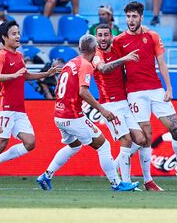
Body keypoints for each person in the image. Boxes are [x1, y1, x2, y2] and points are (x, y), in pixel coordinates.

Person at [35, 34, 139, 192]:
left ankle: (46, 175)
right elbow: (83, 91)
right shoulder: (86, 65)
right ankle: (116, 184)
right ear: (95, 49)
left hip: (58, 115)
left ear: (79, 48)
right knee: (104, 145)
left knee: (74, 145)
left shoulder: (71, 63)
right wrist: (103, 110)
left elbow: (57, 90)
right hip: (72, 116)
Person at [113, 1, 177, 188]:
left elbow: (161, 64)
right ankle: (148, 180)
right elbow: (117, 69)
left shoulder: (152, 36)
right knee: (146, 137)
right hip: (135, 94)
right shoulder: (119, 40)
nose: (131, 20)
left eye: (134, 16)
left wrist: (169, 88)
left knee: (175, 129)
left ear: (141, 17)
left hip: (156, 90)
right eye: (128, 16)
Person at [0, 20, 57, 188]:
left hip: (19, 109)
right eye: (14, 34)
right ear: (4, 37)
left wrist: (45, 74)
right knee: (1, 143)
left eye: (18, 33)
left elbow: (24, 75)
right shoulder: (1, 55)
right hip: (5, 107)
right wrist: (12, 76)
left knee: (30, 143)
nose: (18, 36)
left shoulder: (18, 56)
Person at [91, 24, 165, 191]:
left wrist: (144, 29)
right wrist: (124, 59)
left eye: (105, 35)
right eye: (100, 35)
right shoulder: (97, 54)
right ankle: (125, 182)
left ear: (111, 36)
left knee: (141, 140)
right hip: (110, 105)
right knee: (126, 141)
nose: (103, 38)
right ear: (96, 38)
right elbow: (103, 68)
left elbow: (133, 34)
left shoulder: (117, 47)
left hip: (124, 103)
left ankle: (115, 168)